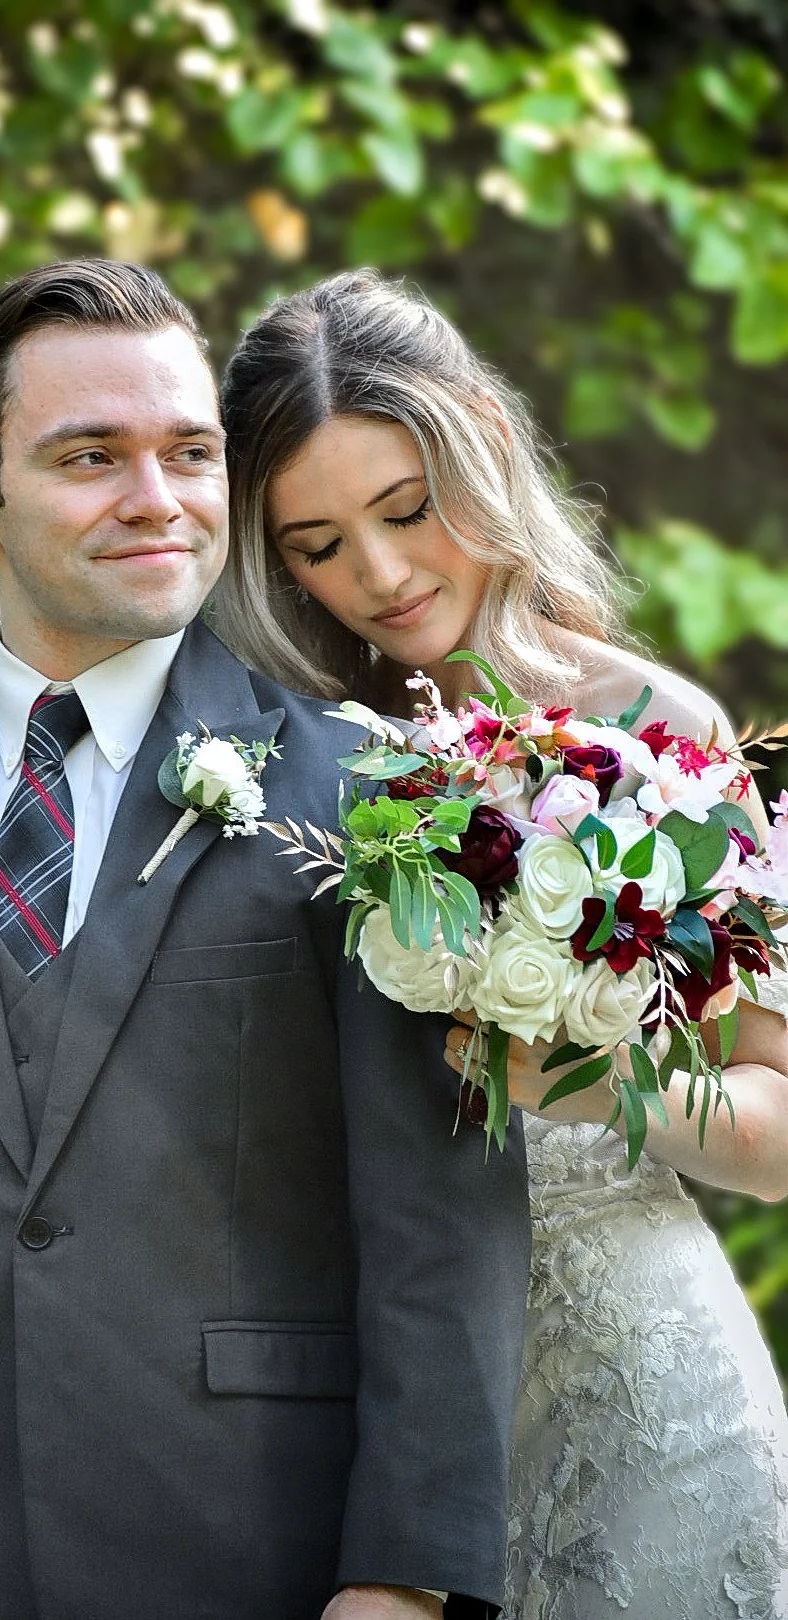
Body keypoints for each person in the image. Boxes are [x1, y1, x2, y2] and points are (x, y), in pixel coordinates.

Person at [0, 261, 532, 1620]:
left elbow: (443, 1238)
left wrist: (402, 1587)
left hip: (253, 1552)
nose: (157, 498)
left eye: (192, 453)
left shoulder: (381, 803)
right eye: (91, 457)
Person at [208, 269, 788, 1619]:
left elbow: (778, 1121)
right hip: (368, 1422)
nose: (384, 575)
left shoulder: (655, 727)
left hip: (646, 1393)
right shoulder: (257, 751)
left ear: (485, 437)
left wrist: (564, 1068)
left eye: (409, 511)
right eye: (317, 544)